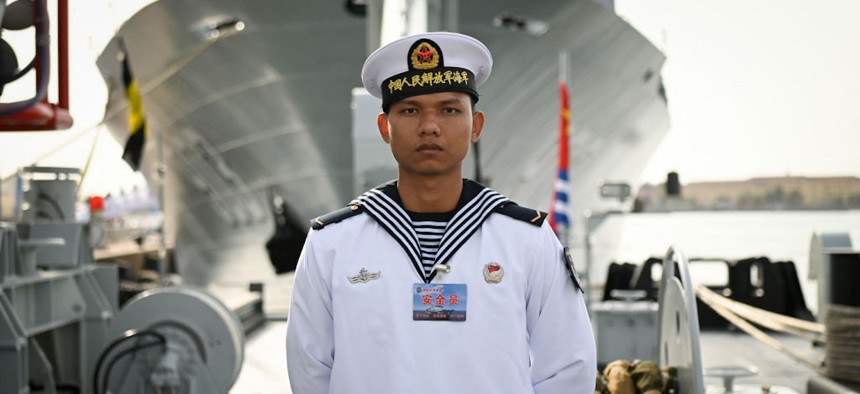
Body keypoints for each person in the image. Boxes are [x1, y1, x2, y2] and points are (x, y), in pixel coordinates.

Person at [286, 31, 596, 393]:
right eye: (410, 110)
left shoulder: (528, 240)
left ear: (475, 126)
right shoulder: (332, 244)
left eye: (449, 110)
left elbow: (568, 366)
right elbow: (310, 368)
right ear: (385, 128)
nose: (429, 126)